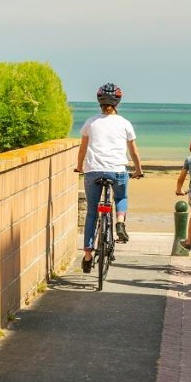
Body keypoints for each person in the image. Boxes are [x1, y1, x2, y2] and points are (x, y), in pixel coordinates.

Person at [75, 83, 143, 274]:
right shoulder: (125, 123)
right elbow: (134, 152)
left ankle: (88, 254)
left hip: (93, 171)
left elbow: (82, 149)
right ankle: (120, 222)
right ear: (118, 102)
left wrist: (79, 167)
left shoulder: (90, 122)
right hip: (118, 171)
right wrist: (139, 170)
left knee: (91, 213)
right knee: (120, 198)